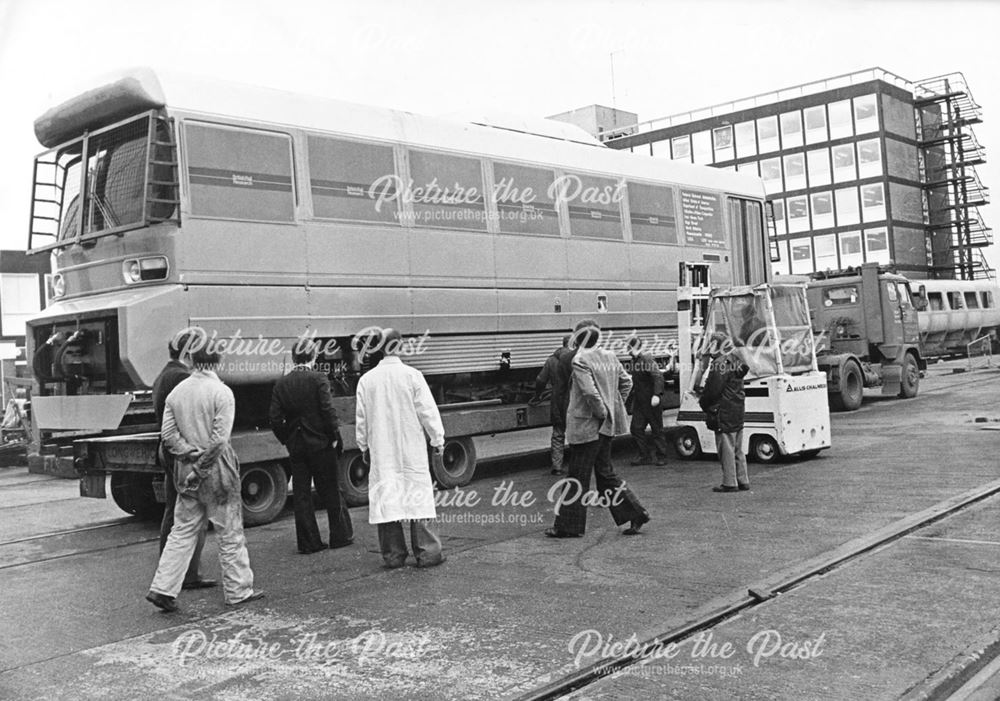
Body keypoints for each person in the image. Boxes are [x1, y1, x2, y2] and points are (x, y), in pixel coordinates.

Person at [146, 345, 264, 612]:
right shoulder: (222, 392)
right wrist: (202, 467)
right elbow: (220, 440)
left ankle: (163, 588)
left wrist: (189, 454)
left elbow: (168, 436)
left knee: (182, 530)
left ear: (191, 360)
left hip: (184, 470)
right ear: (218, 360)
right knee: (229, 532)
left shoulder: (177, 393)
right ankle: (238, 591)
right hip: (217, 472)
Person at [545, 320, 650, 538]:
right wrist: (612, 408)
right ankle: (636, 513)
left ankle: (568, 527)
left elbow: (590, 394)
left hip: (587, 426)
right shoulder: (610, 356)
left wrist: (601, 411)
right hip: (605, 428)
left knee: (577, 476)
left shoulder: (580, 360)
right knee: (605, 473)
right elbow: (627, 382)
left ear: (577, 338)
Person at [355, 328, 446, 569]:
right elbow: (428, 411)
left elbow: (361, 419)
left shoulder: (367, 380)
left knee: (387, 499)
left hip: (382, 450)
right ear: (401, 346)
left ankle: (393, 555)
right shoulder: (413, 376)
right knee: (418, 496)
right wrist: (438, 440)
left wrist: (363, 445)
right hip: (411, 448)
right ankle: (428, 553)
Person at [269, 338, 354, 554]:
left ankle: (309, 543)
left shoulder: (282, 383)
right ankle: (339, 536)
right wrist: (334, 435)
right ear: (314, 356)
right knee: (331, 490)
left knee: (302, 494)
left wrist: (287, 438)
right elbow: (327, 410)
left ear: (294, 357)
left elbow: (275, 419)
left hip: (297, 446)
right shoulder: (318, 378)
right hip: (321, 443)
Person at [152, 333, 214, 590]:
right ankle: (187, 575)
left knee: (173, 511)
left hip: (168, 451)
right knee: (193, 514)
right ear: (188, 352)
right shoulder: (181, 377)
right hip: (183, 454)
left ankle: (171, 572)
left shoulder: (163, 375)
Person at [699, 332, 751, 493]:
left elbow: (712, 391)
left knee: (725, 449)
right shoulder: (736, 360)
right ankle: (743, 480)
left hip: (723, 411)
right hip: (737, 409)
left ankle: (730, 482)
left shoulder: (719, 364)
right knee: (737, 448)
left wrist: (703, 403)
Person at [534, 335, 573, 476]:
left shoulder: (551, 360)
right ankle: (577, 465)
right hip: (573, 399)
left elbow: (540, 379)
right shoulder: (576, 359)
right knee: (575, 433)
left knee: (558, 433)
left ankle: (557, 466)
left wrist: (537, 395)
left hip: (557, 400)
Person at [626, 337, 668, 466]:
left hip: (651, 401)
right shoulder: (635, 361)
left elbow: (657, 376)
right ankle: (644, 455)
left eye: (628, 347)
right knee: (636, 428)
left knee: (657, 429)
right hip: (641, 401)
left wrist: (656, 394)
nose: (627, 350)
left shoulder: (646, 359)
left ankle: (661, 456)